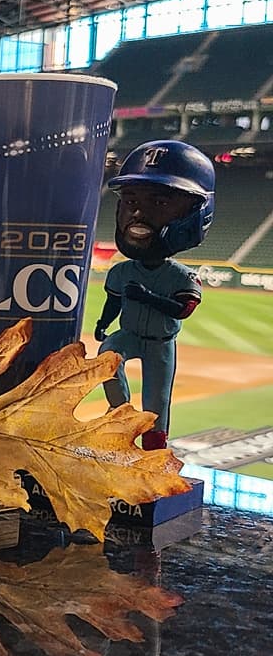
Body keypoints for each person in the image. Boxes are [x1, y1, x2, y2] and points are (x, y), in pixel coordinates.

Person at [94, 140, 215, 450]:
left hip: (161, 345)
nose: (138, 213)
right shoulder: (122, 272)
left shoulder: (179, 275)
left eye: (159, 203)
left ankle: (153, 448)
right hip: (130, 334)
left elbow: (183, 308)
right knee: (108, 353)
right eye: (130, 200)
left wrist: (147, 297)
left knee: (156, 402)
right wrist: (103, 322)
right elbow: (114, 299)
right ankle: (120, 411)